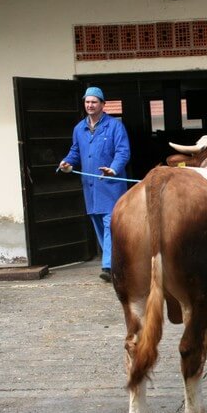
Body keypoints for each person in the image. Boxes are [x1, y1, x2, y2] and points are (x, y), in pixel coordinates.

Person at [59, 86, 131, 282]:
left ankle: (108, 266)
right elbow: (75, 151)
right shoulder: (79, 128)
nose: (90, 105)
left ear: (103, 104)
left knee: (110, 225)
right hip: (90, 187)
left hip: (110, 186)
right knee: (99, 225)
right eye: (87, 102)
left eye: (94, 102)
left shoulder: (115, 126)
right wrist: (67, 163)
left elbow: (123, 152)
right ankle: (115, 263)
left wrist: (114, 169)